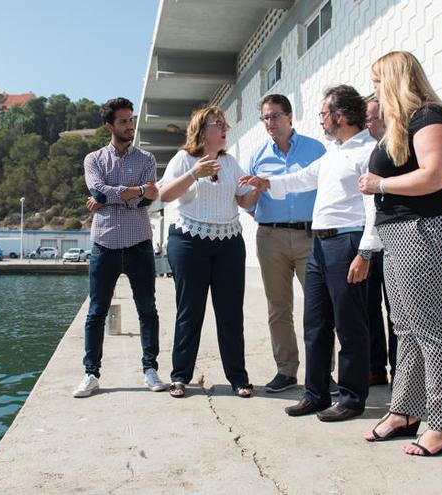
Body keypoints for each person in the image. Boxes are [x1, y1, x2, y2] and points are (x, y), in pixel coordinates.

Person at [242, 84, 381, 422]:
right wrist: (266, 183)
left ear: (341, 116)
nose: (320, 120)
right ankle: (315, 393)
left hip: (348, 242)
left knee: (349, 325)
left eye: (323, 114)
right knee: (315, 322)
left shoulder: (370, 151)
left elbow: (374, 205)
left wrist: (365, 251)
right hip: (319, 244)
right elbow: (302, 179)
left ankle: (351, 397)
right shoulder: (333, 151)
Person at [357, 51, 442, 455]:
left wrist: (379, 185)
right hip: (400, 234)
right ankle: (405, 411)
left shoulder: (429, 116)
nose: (375, 91)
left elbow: (433, 175)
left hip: (425, 230)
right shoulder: (403, 125)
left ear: (396, 80)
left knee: (430, 330)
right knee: (404, 328)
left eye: (378, 82)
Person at [158, 106, 260, 399]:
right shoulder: (184, 158)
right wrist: (194, 172)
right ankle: (180, 376)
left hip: (229, 242)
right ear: (202, 131)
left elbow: (243, 201)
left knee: (230, 313)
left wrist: (259, 188)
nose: (225, 128)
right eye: (218, 124)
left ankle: (238, 377)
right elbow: (164, 195)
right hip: (189, 241)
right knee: (190, 312)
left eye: (225, 123)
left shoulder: (229, 163)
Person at [72, 97, 163, 398]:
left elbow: (149, 198)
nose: (129, 126)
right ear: (109, 125)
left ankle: (150, 369)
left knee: (147, 310)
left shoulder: (146, 159)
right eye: (123, 121)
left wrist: (112, 197)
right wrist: (135, 191)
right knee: (96, 312)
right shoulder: (94, 159)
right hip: (105, 245)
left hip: (139, 244)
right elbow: (98, 189)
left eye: (131, 120)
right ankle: (91, 374)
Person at [247, 94, 326, 393]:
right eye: (265, 117)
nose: (270, 123)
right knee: (278, 307)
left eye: (275, 116)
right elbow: (246, 200)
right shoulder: (257, 156)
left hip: (310, 237)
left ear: (290, 116)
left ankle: (321, 373)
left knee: (318, 307)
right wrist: (259, 207)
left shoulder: (315, 149)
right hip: (271, 238)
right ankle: (286, 370)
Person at [364, 95, 397, 387]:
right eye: (366, 119)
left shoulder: (397, 148)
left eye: (372, 118)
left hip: (395, 241)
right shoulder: (368, 149)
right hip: (369, 242)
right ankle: (375, 367)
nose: (369, 124)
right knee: (369, 308)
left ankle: (401, 371)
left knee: (397, 311)